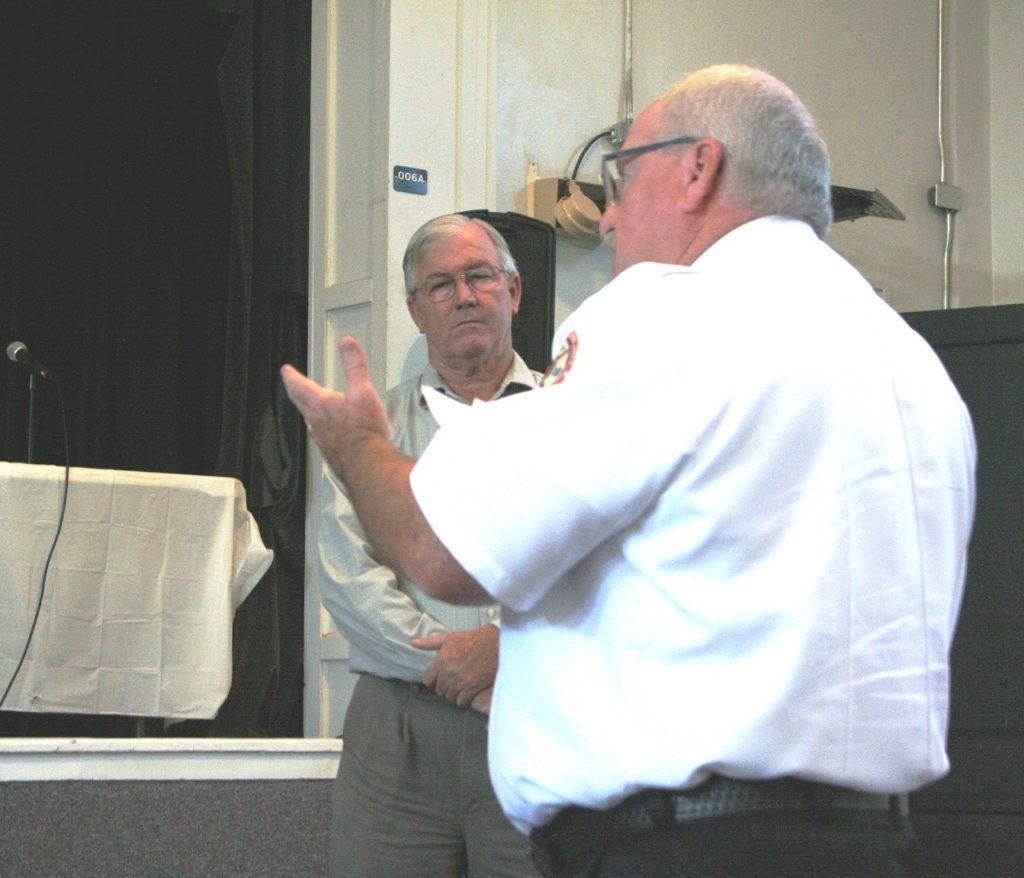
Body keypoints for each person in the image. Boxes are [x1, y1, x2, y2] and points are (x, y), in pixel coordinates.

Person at [284, 64, 976, 878]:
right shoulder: (909, 359)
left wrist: (358, 443)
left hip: (685, 845)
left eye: (621, 177)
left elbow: (439, 553)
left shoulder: (671, 312)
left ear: (698, 168)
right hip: (867, 843)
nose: (606, 219)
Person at [319, 213, 540, 878]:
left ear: (514, 291)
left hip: (534, 721)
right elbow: (346, 577)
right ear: (415, 310)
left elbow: (607, 568)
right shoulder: (369, 432)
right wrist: (456, 669)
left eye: (479, 277)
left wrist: (504, 644)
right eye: (441, 286)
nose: (465, 296)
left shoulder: (577, 417)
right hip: (398, 735)